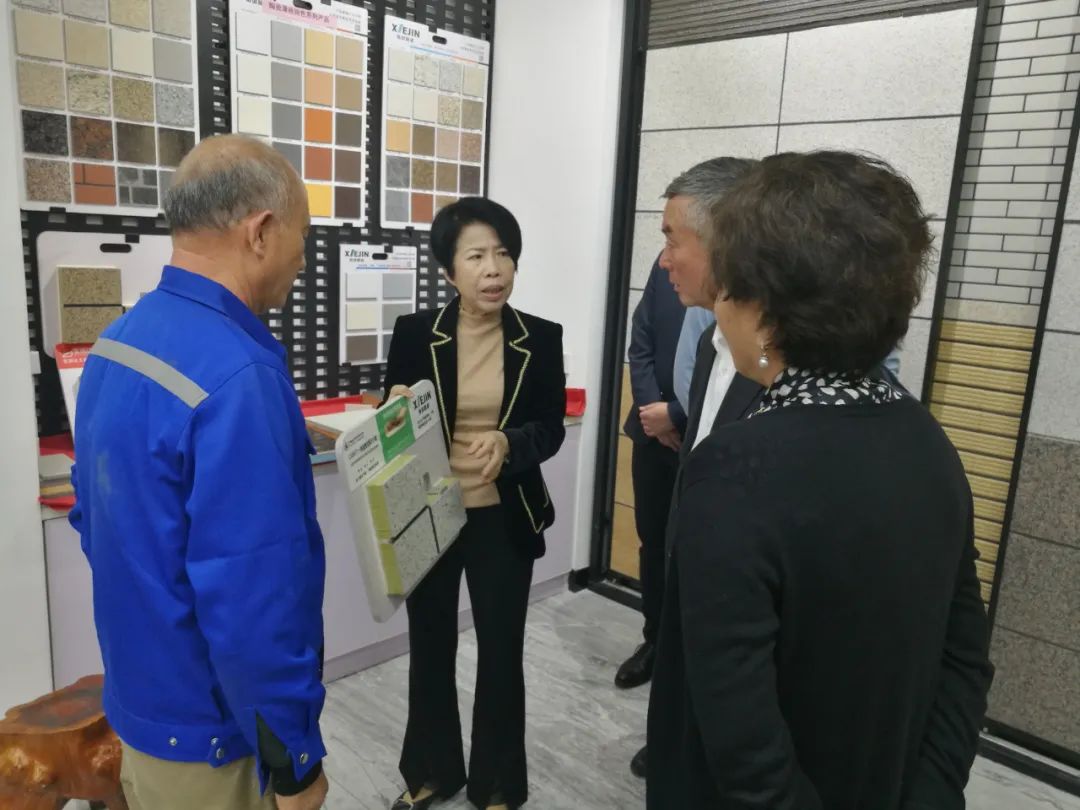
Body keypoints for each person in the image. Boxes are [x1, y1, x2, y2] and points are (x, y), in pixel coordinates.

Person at [647, 151, 995, 807]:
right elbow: (965, 654)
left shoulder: (739, 467)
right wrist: (931, 792)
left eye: (730, 287)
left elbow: (740, 732)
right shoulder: (926, 439)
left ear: (764, 306)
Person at [69, 135, 329, 810]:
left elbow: (94, 523)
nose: (303, 259)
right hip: (214, 740)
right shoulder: (239, 376)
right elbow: (255, 599)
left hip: (141, 709)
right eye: (303, 236)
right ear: (261, 232)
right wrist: (294, 762)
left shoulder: (116, 345)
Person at [382, 197, 566, 810]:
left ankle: (498, 784)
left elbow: (549, 428)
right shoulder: (416, 333)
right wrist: (394, 407)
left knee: (501, 653)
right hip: (429, 512)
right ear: (449, 271)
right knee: (430, 645)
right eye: (477, 256)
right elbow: (393, 415)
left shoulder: (540, 338)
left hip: (502, 516)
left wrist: (509, 442)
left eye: (503, 254)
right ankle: (434, 770)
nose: (494, 269)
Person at [627, 155, 760, 779]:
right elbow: (643, 346)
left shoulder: (782, 367)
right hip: (686, 512)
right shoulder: (713, 342)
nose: (663, 260)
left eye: (671, 240)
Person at [615, 256, 686, 690]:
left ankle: (686, 654)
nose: (667, 248)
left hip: (707, 439)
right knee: (653, 542)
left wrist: (676, 414)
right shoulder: (665, 266)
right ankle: (655, 640)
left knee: (696, 553)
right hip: (652, 436)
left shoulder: (743, 263)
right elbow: (640, 343)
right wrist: (653, 413)